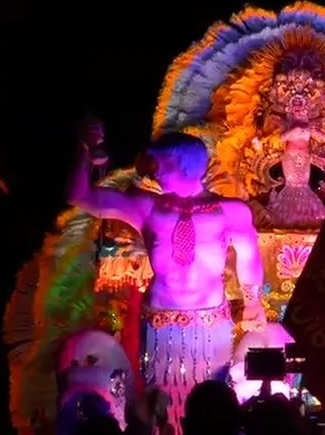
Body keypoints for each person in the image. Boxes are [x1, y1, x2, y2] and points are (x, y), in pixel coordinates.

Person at [69, 122, 266, 433]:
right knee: (160, 402)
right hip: (161, 325)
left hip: (211, 326)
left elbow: (250, 256)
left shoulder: (231, 211)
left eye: (162, 165)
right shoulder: (147, 207)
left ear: (184, 166)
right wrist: (84, 153)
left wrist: (253, 301)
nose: (155, 173)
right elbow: (81, 197)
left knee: (212, 401)